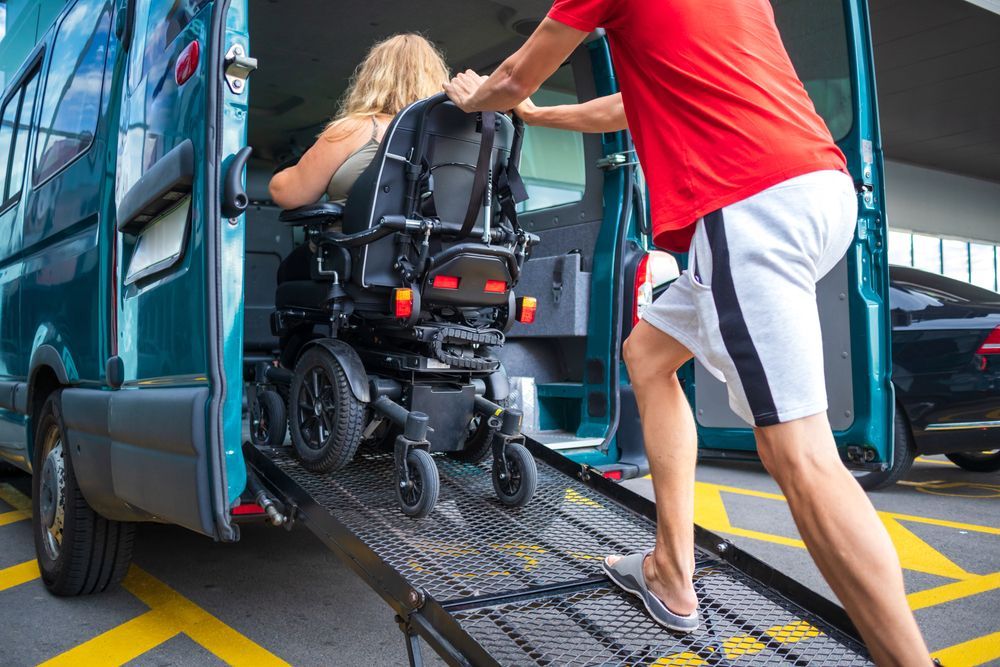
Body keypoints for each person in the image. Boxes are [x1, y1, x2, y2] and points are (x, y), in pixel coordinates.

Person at [443, 1, 930, 663]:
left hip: (749, 201)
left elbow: (511, 77)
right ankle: (671, 571)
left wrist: (482, 98)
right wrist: (537, 115)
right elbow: (626, 107)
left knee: (802, 457)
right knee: (646, 353)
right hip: (815, 187)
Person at [269, 33, 450, 281]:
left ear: (372, 78)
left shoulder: (355, 129)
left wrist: (285, 174)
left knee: (289, 270)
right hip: (430, 264)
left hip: (355, 263)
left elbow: (287, 194)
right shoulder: (450, 138)